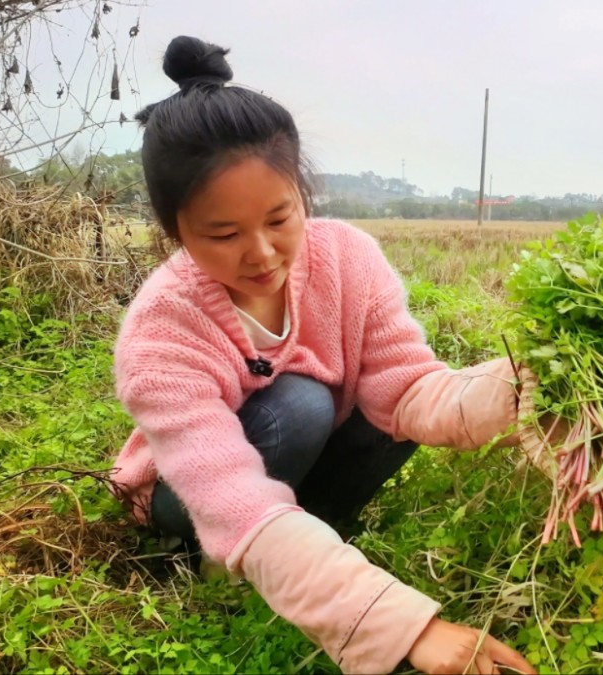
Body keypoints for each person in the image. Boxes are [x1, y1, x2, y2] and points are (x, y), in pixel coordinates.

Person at [109, 35, 537, 675]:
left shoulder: (347, 259)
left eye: (280, 219)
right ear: (176, 231)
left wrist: (529, 388)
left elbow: (412, 388)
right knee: (304, 404)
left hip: (293, 471)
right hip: (190, 499)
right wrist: (401, 628)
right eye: (223, 234)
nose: (262, 254)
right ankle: (207, 563)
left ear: (302, 194)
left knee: (392, 409)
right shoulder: (161, 331)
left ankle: (317, 534)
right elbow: (230, 495)